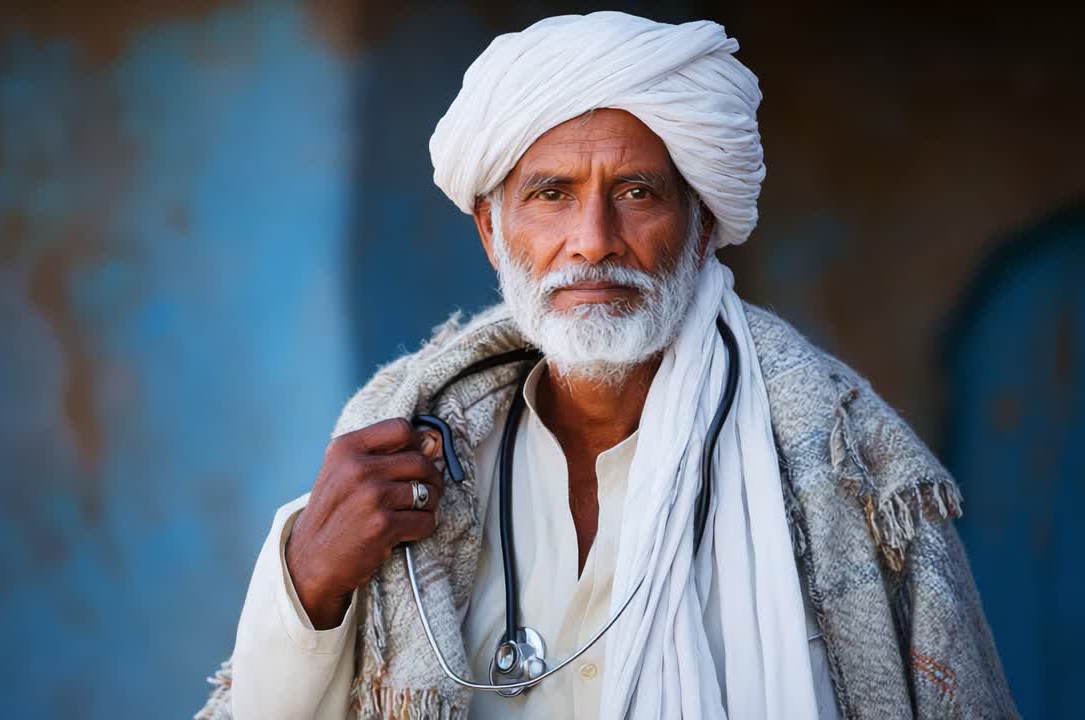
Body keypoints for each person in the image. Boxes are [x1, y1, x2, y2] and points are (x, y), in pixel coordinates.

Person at [197, 12, 1014, 720]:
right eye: (551, 194)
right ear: (492, 232)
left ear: (702, 226)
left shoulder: (848, 463)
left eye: (636, 193)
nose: (593, 240)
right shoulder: (403, 441)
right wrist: (311, 582)